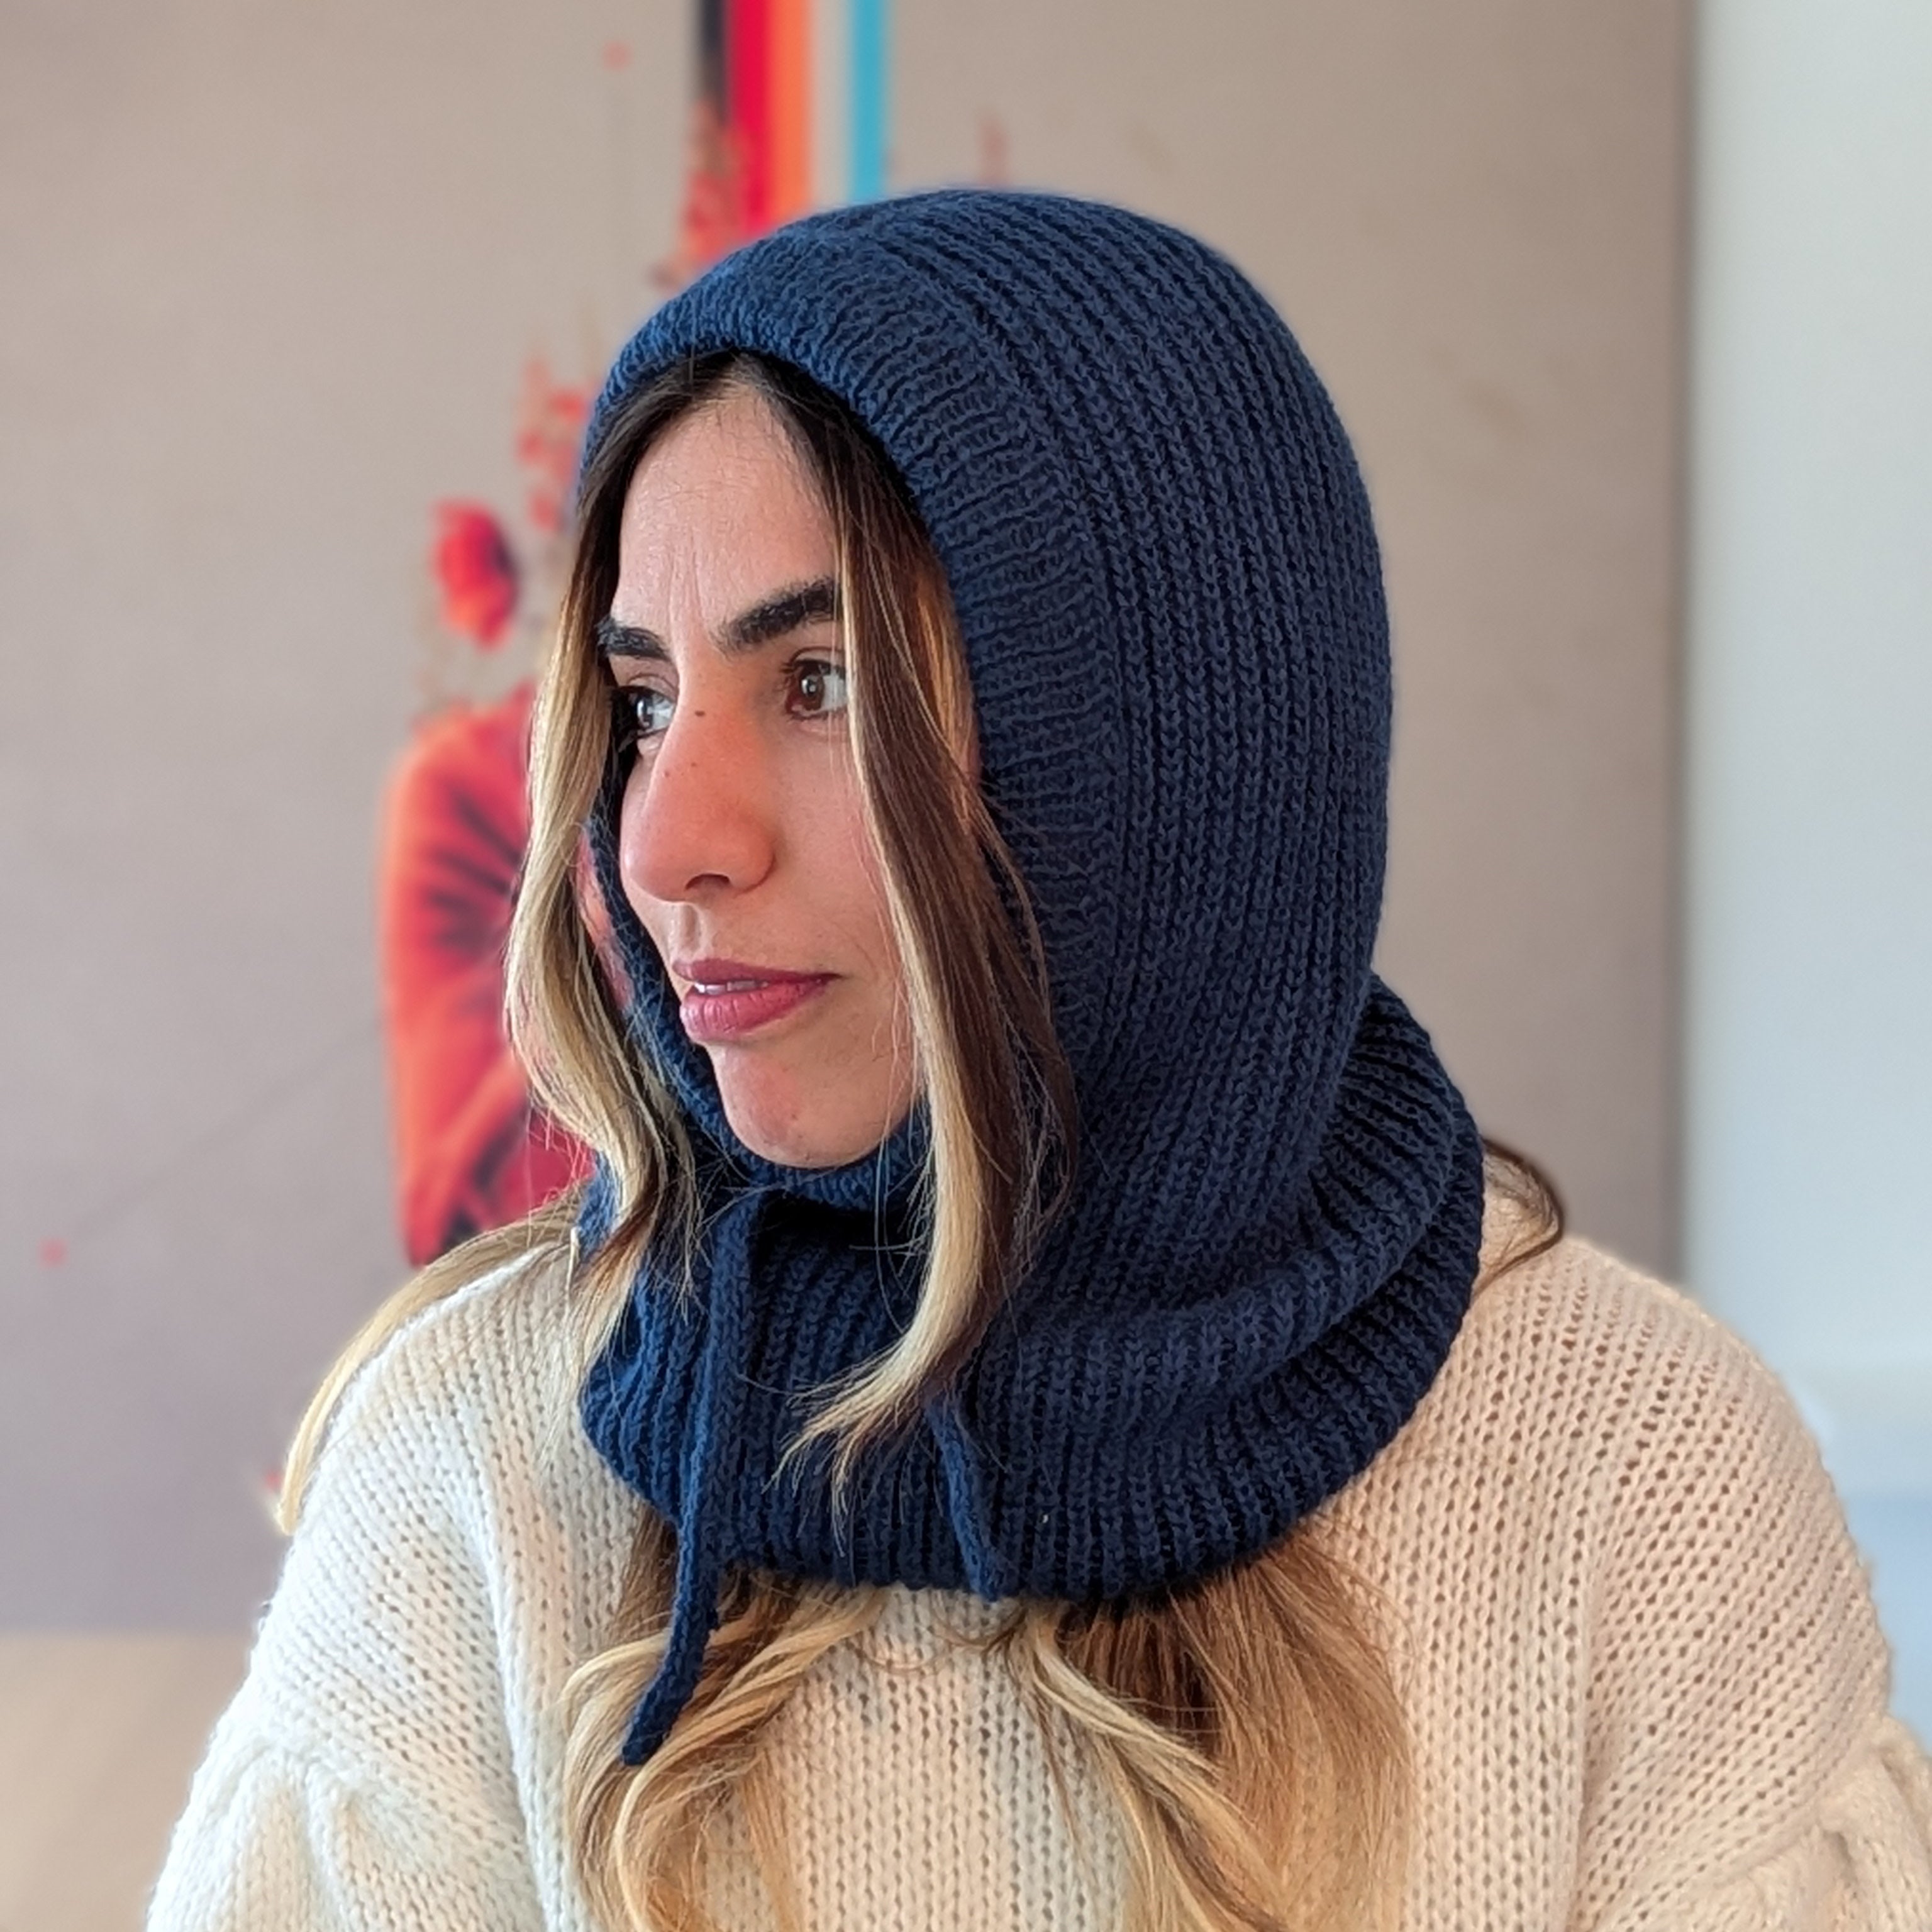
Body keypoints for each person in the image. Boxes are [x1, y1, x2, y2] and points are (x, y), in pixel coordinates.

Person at [148, 191, 1932, 1932]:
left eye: (823, 683)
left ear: (1173, 756)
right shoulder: (474, 1473)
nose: (666, 839)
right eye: (645, 699)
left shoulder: (1641, 1478)